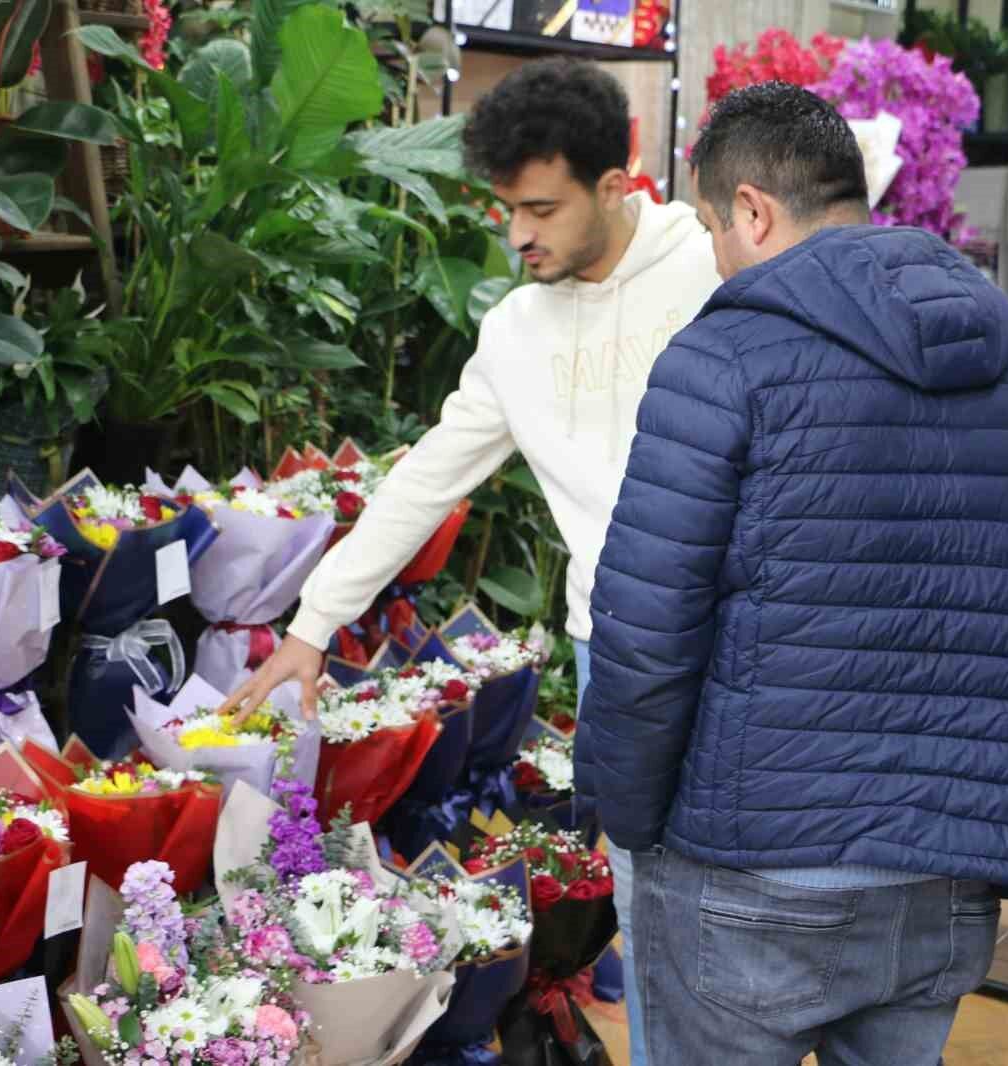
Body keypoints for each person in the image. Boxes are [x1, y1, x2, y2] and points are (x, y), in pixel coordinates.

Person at [577, 82, 1008, 1065]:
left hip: (749, 871)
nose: (717, 258)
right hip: (943, 884)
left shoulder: (723, 356)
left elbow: (645, 632)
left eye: (712, 229)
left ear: (754, 211)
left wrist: (631, 831)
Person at [220, 58, 717, 1066]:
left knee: (743, 917)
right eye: (504, 210)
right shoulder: (513, 334)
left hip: (747, 642)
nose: (517, 234)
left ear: (613, 187)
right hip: (620, 655)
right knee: (653, 911)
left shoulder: (707, 265)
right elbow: (418, 485)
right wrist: (314, 626)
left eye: (539, 207)